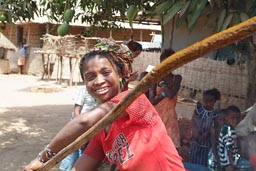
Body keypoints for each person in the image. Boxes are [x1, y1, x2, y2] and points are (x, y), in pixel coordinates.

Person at [24, 44, 185, 171]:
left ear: (121, 73)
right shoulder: (101, 131)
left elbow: (83, 122)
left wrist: (42, 158)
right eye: (90, 77)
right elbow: (84, 164)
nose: (98, 81)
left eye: (105, 72)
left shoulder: (132, 99)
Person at [148, 48, 182, 149]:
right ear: (161, 62)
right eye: (165, 62)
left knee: (169, 148)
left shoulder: (177, 78)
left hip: (170, 119)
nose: (167, 65)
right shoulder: (154, 78)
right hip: (156, 117)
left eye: (170, 62)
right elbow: (151, 101)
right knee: (154, 147)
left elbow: (171, 94)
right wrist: (163, 93)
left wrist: (162, 84)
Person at [59, 86, 98, 171]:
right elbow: (77, 111)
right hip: (80, 127)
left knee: (85, 154)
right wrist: (79, 131)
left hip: (93, 129)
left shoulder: (101, 92)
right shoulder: (83, 91)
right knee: (73, 152)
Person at [189, 88, 221, 167]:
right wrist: (195, 131)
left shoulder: (215, 114)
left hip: (207, 141)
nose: (207, 103)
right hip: (196, 139)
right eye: (206, 100)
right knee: (193, 157)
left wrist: (207, 133)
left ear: (214, 101)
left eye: (210, 101)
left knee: (203, 159)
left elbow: (215, 127)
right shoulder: (199, 109)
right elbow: (193, 120)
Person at [217, 105, 243, 171]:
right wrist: (232, 165)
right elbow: (229, 149)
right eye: (232, 118)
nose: (235, 120)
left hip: (231, 160)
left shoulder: (232, 129)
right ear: (226, 118)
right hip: (227, 162)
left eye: (238, 118)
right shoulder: (227, 130)